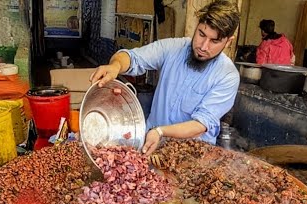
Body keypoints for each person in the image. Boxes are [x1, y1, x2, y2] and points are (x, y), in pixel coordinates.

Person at [90, 0, 240, 154]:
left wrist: (160, 131)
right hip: (151, 146)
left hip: (192, 156)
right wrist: (115, 66)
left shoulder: (227, 76)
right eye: (201, 34)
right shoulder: (173, 48)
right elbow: (133, 58)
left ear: (229, 42)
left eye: (214, 41)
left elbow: (200, 124)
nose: (203, 46)